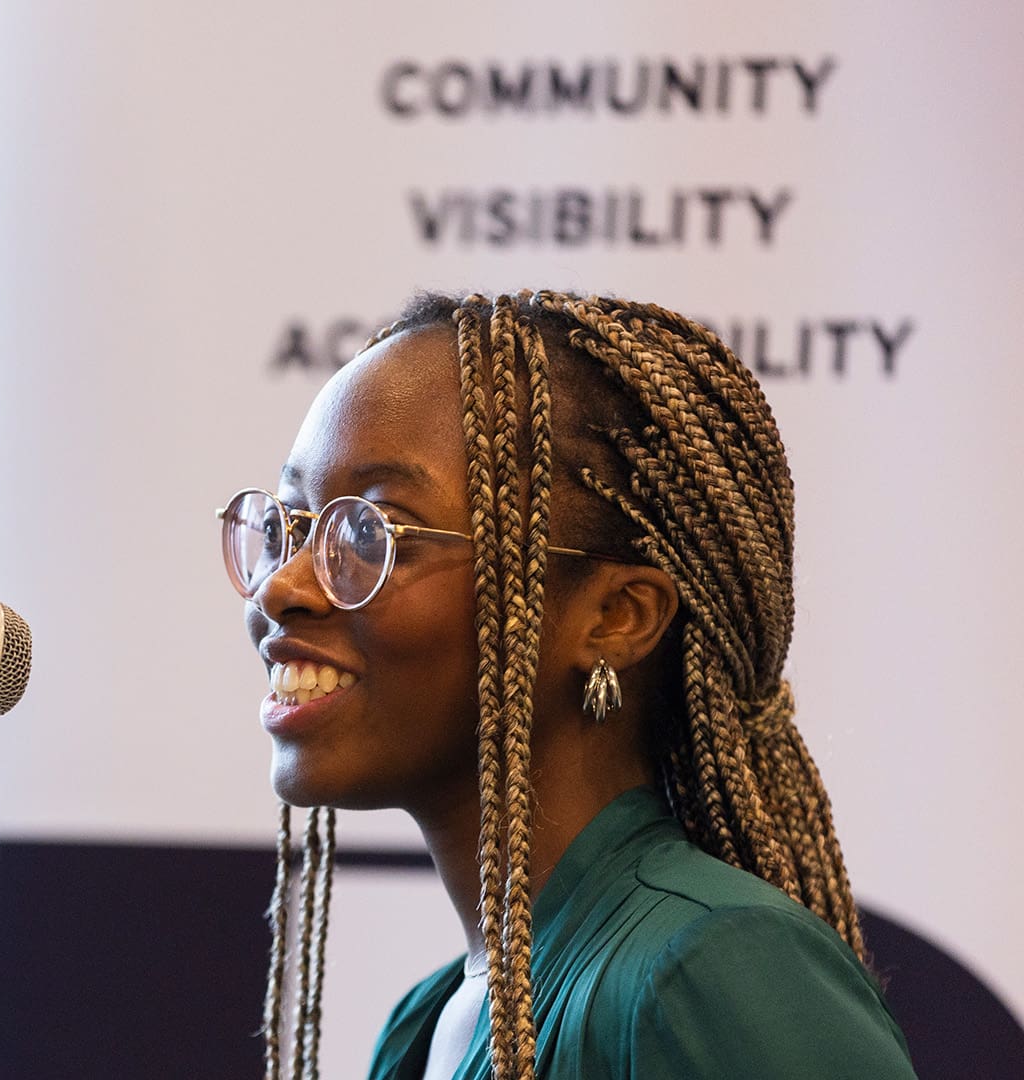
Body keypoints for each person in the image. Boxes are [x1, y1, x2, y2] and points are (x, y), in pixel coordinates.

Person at [221, 292, 917, 1079]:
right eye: (290, 525)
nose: (281, 587)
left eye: (371, 532)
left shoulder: (704, 972)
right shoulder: (427, 1025)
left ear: (617, 615)